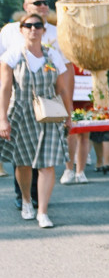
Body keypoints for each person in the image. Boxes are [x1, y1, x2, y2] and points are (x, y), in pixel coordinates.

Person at [0, 13, 72, 228]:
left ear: (43, 29)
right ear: (21, 30)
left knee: (46, 164)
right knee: (22, 162)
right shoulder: (11, 55)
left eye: (38, 25)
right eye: (28, 25)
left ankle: (43, 211)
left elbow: (62, 89)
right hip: (20, 111)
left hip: (48, 112)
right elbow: (4, 88)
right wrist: (2, 118)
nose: (33, 29)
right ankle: (26, 201)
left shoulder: (53, 56)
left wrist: (68, 115)